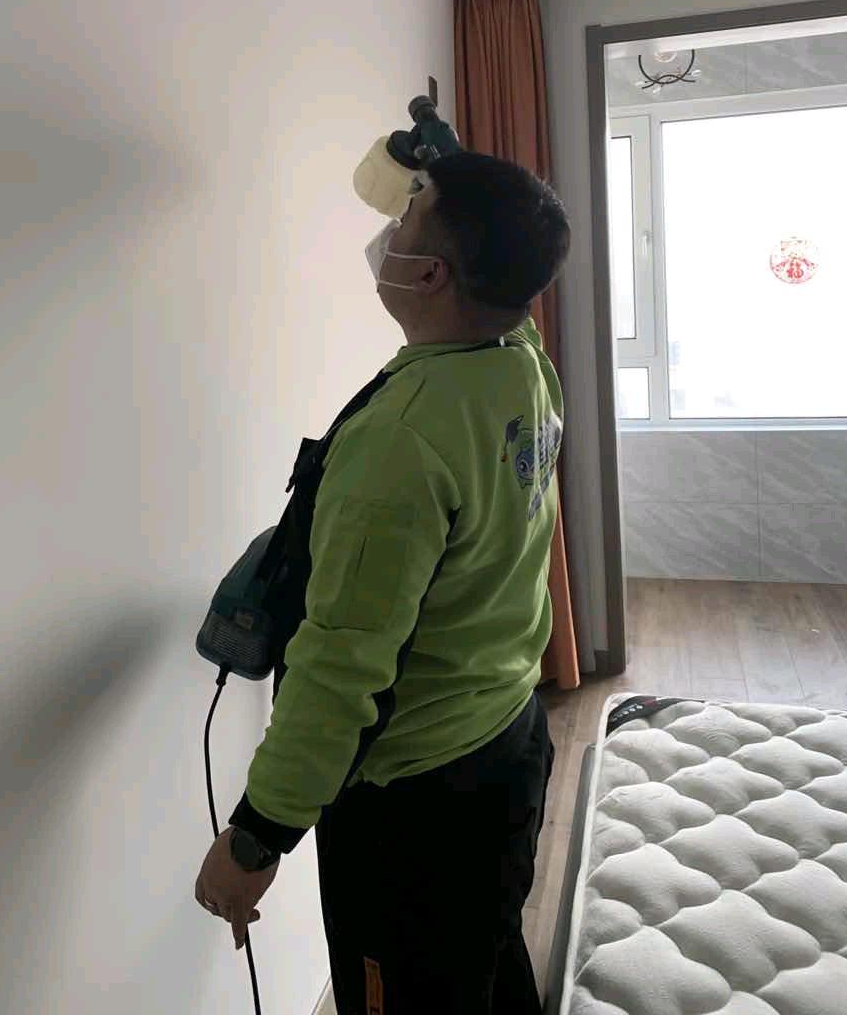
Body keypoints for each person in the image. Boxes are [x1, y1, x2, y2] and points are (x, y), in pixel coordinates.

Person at [195, 150, 571, 1013]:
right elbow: (502, 263)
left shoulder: (401, 442)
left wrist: (253, 840)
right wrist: (455, 176)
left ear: (432, 275)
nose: (390, 228)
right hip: (507, 740)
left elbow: (338, 670)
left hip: (415, 811)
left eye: (406, 220)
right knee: (486, 960)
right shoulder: (521, 362)